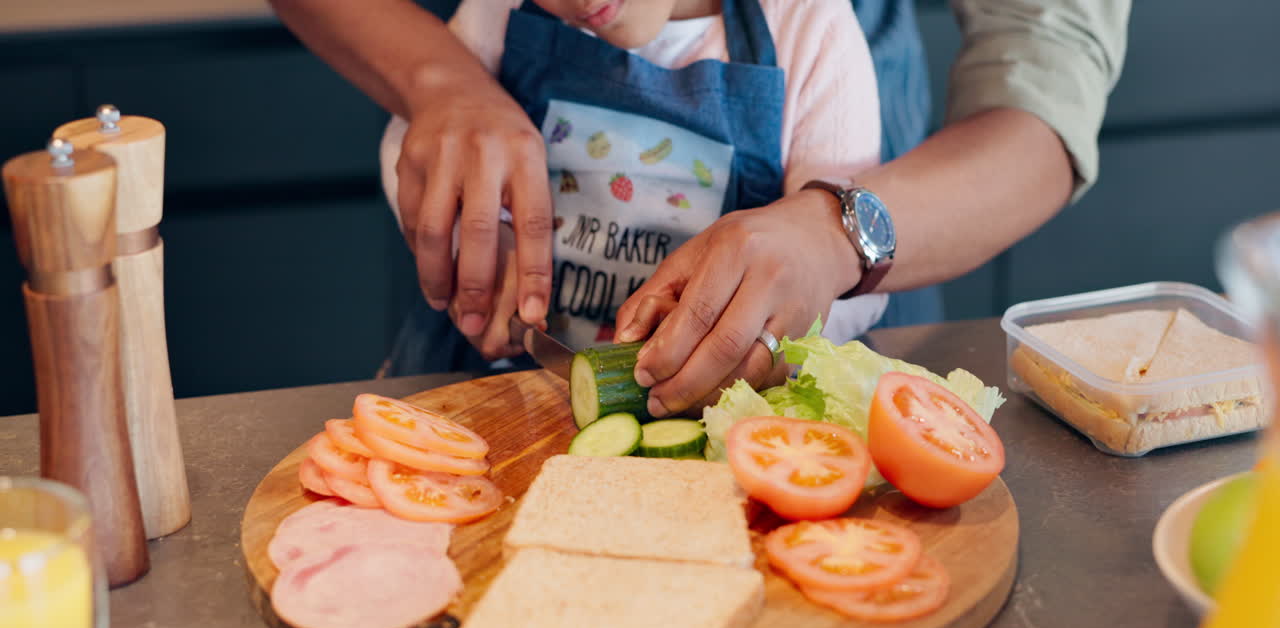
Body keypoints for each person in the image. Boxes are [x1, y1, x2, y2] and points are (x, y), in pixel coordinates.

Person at [270, 0, 1131, 418]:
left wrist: (807, 273)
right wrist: (461, 213)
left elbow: (851, 290)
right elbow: (412, 148)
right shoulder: (501, 13)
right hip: (498, 394)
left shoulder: (807, 31)